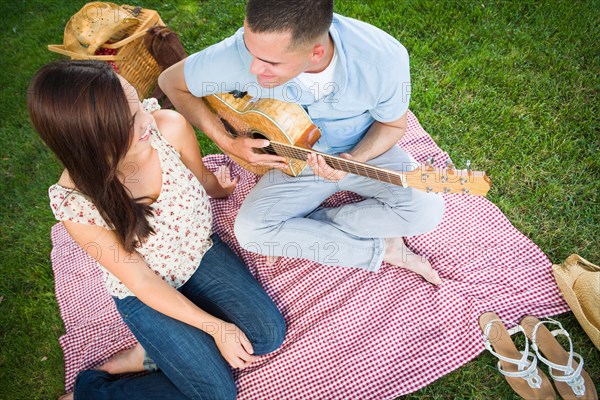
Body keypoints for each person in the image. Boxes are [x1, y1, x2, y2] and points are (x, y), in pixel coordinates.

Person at [28, 60, 285, 400]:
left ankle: (152, 352)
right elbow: (142, 281)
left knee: (268, 334)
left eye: (137, 105)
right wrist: (215, 327)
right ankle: (92, 390)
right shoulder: (76, 202)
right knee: (215, 393)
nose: (147, 119)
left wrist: (218, 188)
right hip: (145, 293)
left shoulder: (168, 127)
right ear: (90, 141)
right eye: (129, 122)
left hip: (198, 253)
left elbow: (199, 178)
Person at [159, 0, 445, 284]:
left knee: (428, 208)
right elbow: (171, 82)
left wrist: (355, 159)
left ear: (315, 53)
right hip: (292, 164)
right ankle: (382, 248)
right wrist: (226, 142)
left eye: (271, 63)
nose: (254, 69)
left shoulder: (383, 59)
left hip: (364, 154)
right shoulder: (240, 54)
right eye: (250, 50)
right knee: (251, 232)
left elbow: (393, 124)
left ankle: (318, 223)